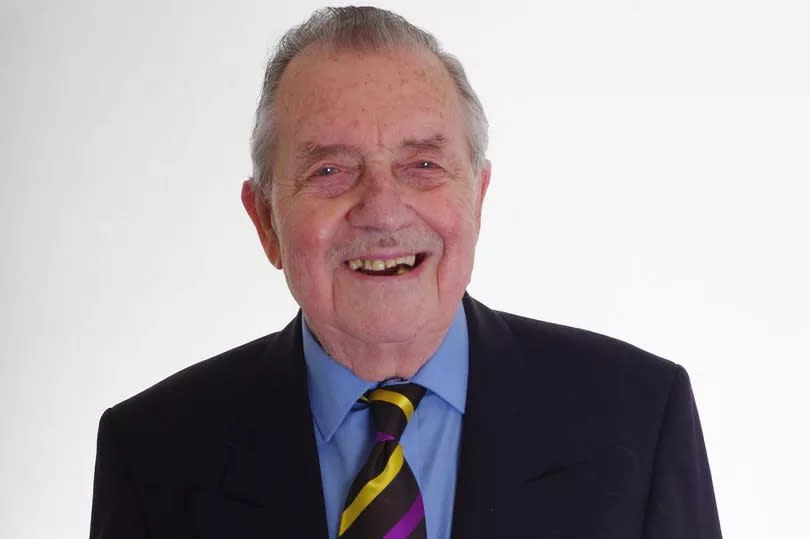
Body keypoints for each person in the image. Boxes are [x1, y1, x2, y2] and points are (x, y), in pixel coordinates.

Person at [90, 6, 722, 538]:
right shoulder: (153, 455)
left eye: (422, 165)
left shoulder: (638, 418)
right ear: (266, 222)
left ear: (477, 198)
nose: (383, 210)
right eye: (330, 171)